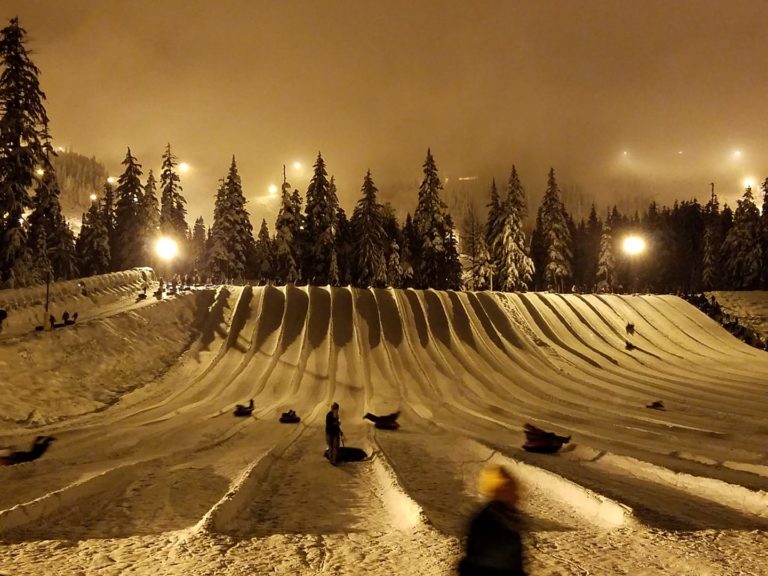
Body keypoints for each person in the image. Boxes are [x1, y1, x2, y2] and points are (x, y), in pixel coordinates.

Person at [459, 464, 527, 576]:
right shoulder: (489, 523)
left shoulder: (506, 517)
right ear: (497, 492)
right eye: (509, 487)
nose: (517, 493)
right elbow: (496, 566)